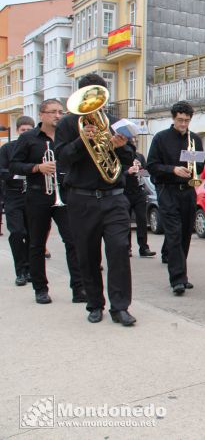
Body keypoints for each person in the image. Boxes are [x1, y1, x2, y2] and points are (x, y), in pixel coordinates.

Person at [55, 75, 136, 325]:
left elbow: (128, 158)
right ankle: (94, 304)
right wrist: (83, 141)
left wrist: (120, 146)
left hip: (114, 198)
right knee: (87, 254)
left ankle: (120, 307)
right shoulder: (68, 124)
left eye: (97, 97)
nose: (94, 104)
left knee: (119, 250)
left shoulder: (114, 122)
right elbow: (62, 158)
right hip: (82, 198)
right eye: (88, 97)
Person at [9, 100, 86, 304]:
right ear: (41, 114)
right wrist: (36, 168)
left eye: (60, 112)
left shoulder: (68, 137)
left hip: (65, 196)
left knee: (73, 242)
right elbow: (14, 165)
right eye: (53, 112)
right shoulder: (28, 138)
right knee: (37, 244)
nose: (58, 116)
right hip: (37, 195)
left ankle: (79, 289)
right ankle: (40, 288)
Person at [147, 101, 203, 296]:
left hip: (188, 192)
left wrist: (193, 168)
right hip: (168, 191)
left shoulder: (195, 139)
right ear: (173, 118)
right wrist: (173, 169)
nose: (183, 124)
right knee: (174, 234)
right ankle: (177, 279)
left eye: (186, 120)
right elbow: (152, 165)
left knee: (187, 233)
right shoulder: (161, 139)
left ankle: (182, 275)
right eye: (180, 120)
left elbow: (200, 167)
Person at [0, 116, 35, 285]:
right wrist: (22, 173)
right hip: (14, 195)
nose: (26, 133)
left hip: (33, 195)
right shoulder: (7, 148)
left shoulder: (35, 148)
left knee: (32, 234)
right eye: (23, 130)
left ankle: (30, 269)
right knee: (17, 232)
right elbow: (2, 171)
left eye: (29, 130)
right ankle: (20, 270)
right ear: (17, 131)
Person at [124, 144, 156, 258]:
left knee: (142, 220)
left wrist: (139, 169)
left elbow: (146, 173)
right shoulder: (121, 156)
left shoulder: (140, 157)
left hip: (139, 191)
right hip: (125, 192)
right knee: (126, 221)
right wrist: (129, 171)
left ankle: (144, 247)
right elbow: (120, 173)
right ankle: (127, 248)